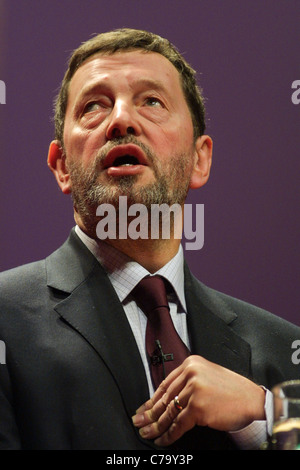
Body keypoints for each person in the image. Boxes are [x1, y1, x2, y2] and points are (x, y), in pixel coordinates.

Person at [0, 28, 299, 451]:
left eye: (152, 101)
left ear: (200, 159)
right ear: (62, 166)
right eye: (94, 106)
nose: (122, 120)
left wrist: (266, 412)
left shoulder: (285, 350)